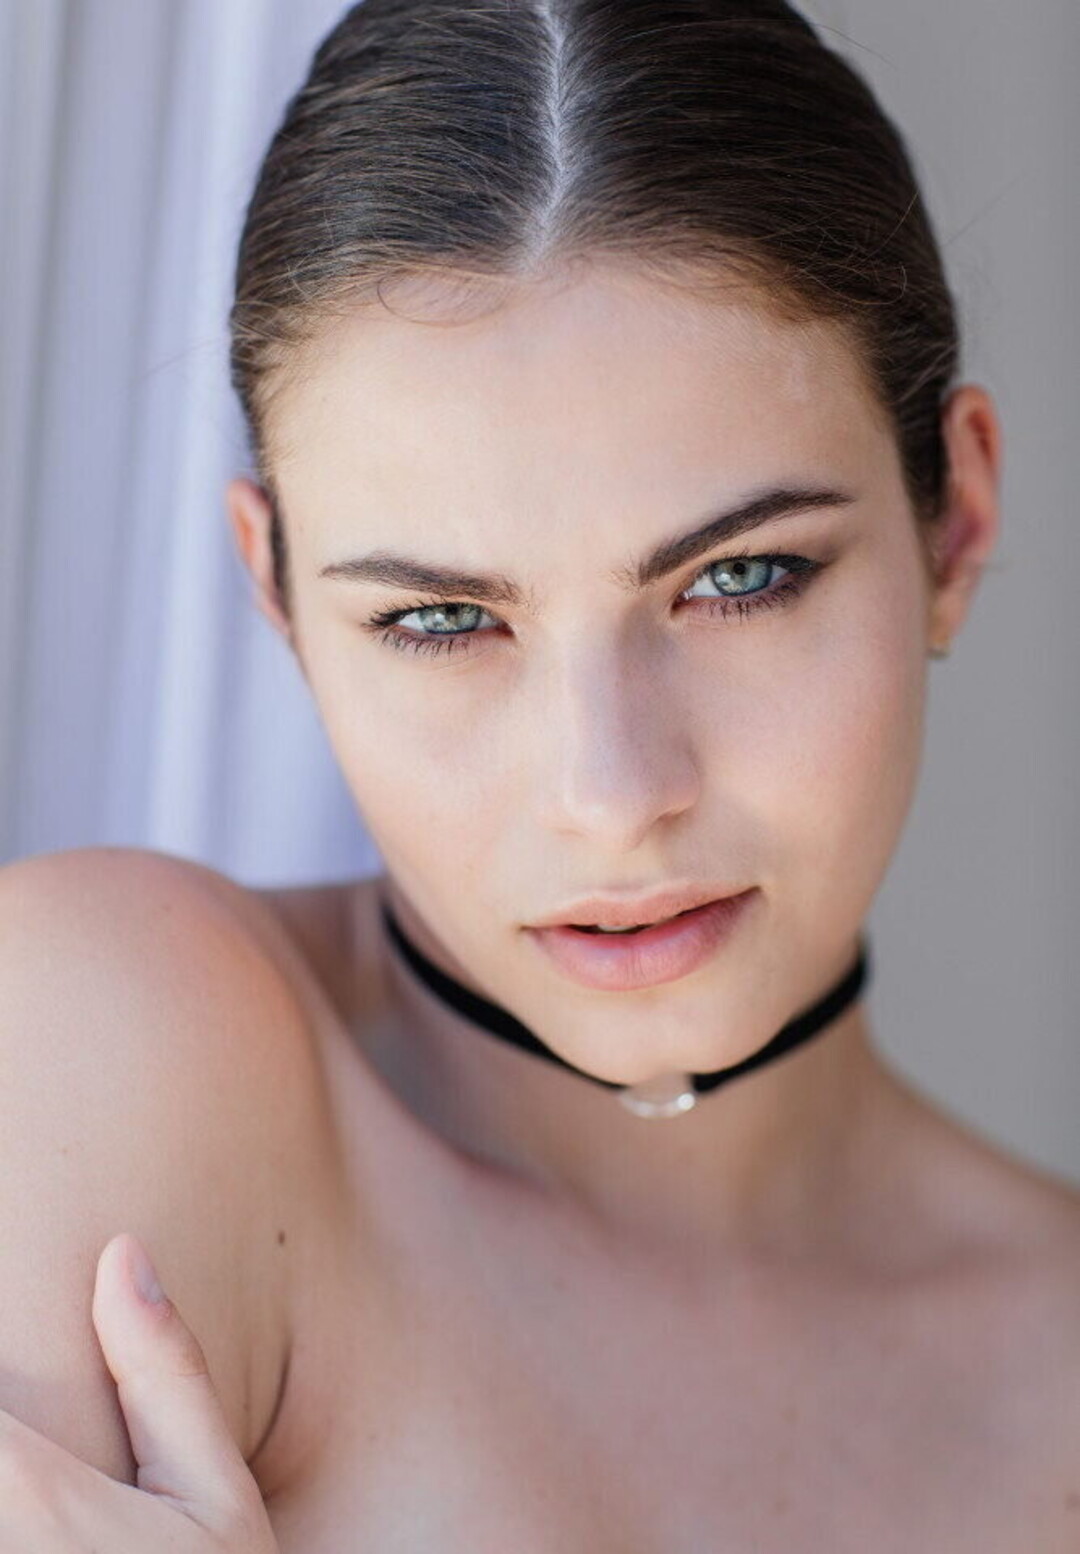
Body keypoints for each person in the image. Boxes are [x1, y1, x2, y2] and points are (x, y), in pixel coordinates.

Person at [2, 1, 1079, 1549]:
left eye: (742, 578)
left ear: (955, 521)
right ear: (277, 595)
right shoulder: (100, 1040)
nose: (611, 793)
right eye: (442, 619)